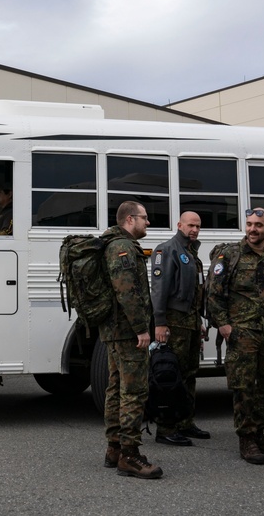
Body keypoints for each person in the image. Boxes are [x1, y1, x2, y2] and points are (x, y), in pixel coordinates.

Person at [206, 207, 264, 465]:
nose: (252, 229)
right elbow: (214, 293)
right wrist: (223, 325)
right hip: (241, 332)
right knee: (243, 387)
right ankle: (246, 439)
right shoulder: (230, 254)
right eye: (249, 224)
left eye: (258, 224)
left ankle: (259, 432)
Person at [100, 201, 162, 479]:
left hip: (116, 331)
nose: (148, 223)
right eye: (144, 218)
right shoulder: (122, 248)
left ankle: (114, 449)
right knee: (133, 392)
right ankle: (130, 455)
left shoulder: (114, 244)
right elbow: (126, 292)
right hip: (127, 332)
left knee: (115, 389)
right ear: (129, 219)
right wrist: (141, 328)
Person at [151, 210, 211, 446]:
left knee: (189, 373)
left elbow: (195, 292)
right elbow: (159, 288)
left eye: (198, 226)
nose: (194, 230)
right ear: (179, 225)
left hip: (190, 322)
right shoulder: (167, 250)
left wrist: (199, 321)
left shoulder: (191, 254)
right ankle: (165, 428)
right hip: (173, 322)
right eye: (190, 225)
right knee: (170, 374)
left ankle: (185, 421)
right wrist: (160, 322)